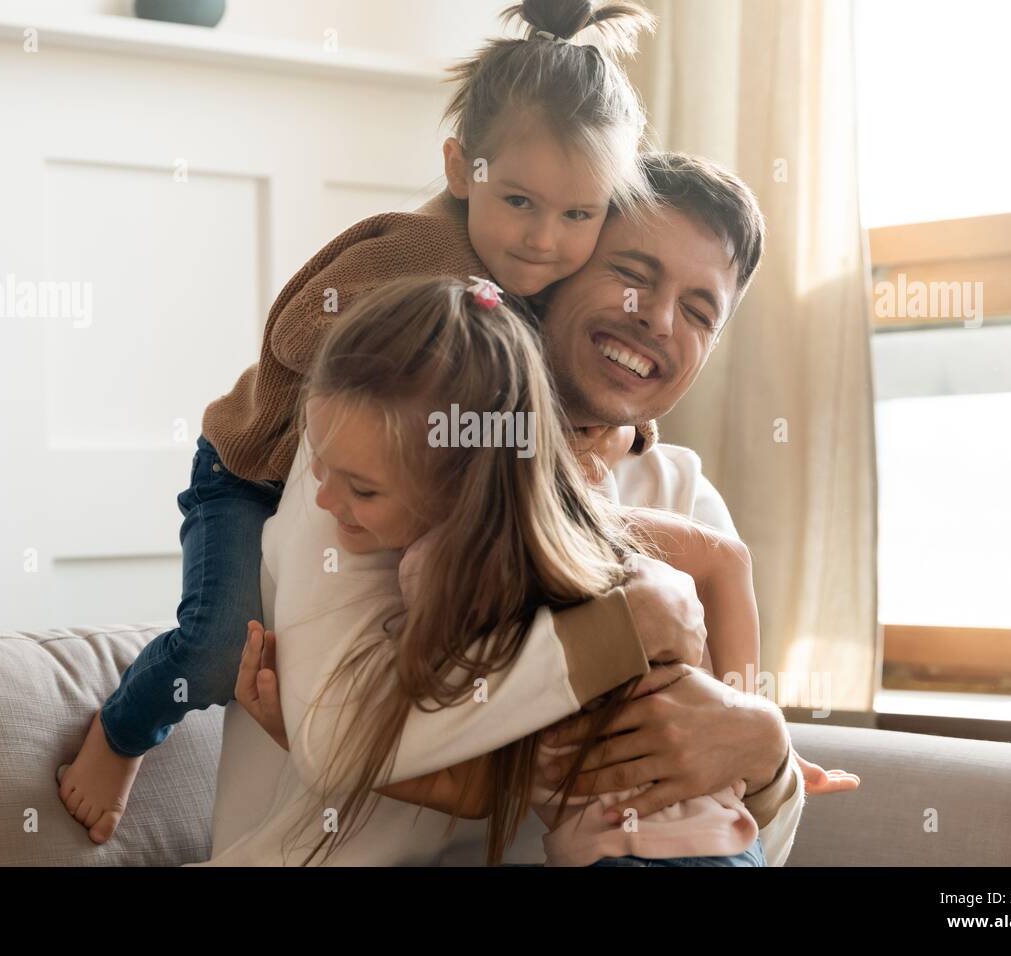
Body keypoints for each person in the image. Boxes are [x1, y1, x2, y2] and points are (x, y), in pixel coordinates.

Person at [56, 0, 665, 843]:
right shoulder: (426, 255)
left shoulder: (531, 282)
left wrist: (624, 432)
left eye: (578, 215)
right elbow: (296, 329)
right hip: (248, 467)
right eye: (519, 200)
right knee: (217, 644)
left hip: (369, 490)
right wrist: (402, 347)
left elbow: (538, 391)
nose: (543, 239)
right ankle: (120, 735)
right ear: (461, 168)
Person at [206, 153, 853, 868]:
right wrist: (612, 637)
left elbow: (756, 840)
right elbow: (335, 731)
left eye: (700, 311)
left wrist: (761, 746)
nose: (658, 319)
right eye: (632, 274)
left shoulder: (687, 500)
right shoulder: (386, 442)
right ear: (554, 271)